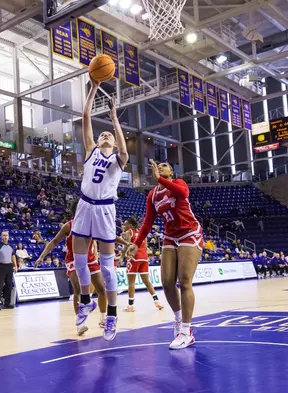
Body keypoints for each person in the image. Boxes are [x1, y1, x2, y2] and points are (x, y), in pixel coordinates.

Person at [71, 80, 129, 342]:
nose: (105, 136)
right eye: (102, 134)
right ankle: (86, 301)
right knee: (79, 261)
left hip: (105, 210)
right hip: (84, 206)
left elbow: (124, 149)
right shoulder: (90, 151)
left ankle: (112, 316)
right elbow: (85, 116)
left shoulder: (118, 159)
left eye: (109, 136)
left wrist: (114, 118)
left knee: (107, 268)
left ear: (114, 143)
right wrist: (93, 88)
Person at [126, 160, 201, 350]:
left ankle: (187, 332)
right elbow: (147, 222)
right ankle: (178, 320)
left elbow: (183, 193)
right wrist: (136, 244)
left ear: (171, 172)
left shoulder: (178, 183)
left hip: (189, 232)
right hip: (170, 236)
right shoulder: (152, 195)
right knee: (167, 282)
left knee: (185, 281)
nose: (160, 166)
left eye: (165, 165)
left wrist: (159, 179)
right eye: (158, 166)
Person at [36, 208, 108, 335]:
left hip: (90, 259)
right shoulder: (68, 226)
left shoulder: (91, 224)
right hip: (73, 260)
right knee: (78, 289)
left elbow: (103, 238)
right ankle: (80, 324)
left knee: (101, 289)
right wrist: (42, 256)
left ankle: (103, 318)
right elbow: (54, 241)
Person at [121, 218, 163, 312]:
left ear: (130, 225)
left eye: (125, 224)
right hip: (144, 258)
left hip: (134, 258)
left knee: (131, 283)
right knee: (147, 281)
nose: (124, 226)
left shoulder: (129, 232)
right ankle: (157, 301)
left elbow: (127, 245)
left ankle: (130, 306)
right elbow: (146, 246)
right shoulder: (141, 232)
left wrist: (122, 257)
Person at [0, 231, 17, 311]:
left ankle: (7, 303)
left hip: (9, 266)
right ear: (1, 236)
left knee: (9, 285)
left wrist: (15, 265)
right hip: (1, 266)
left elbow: (13, 256)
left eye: (6, 235)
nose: (5, 237)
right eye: (4, 235)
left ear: (8, 236)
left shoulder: (11, 246)